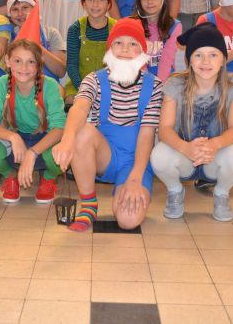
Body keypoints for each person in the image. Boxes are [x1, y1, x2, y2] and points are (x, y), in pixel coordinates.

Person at [52, 19, 163, 232]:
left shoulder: (154, 86)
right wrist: (67, 140)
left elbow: (147, 135)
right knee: (81, 132)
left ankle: (125, 187)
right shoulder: (94, 80)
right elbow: (79, 108)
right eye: (118, 43)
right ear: (109, 48)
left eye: (133, 44)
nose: (125, 49)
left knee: (128, 220)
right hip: (104, 156)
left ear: (142, 51)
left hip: (136, 161)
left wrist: (135, 178)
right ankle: (88, 203)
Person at [150, 23, 233, 222]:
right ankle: (175, 191)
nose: (206, 62)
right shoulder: (175, 84)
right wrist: (185, 148)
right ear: (189, 60)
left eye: (213, 55)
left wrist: (213, 145)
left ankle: (221, 193)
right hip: (183, 156)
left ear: (223, 59)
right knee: (159, 154)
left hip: (215, 157)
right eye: (198, 55)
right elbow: (165, 129)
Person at [0, 36, 66, 204]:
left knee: (60, 154)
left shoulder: (49, 86)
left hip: (45, 139)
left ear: (39, 64)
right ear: (8, 61)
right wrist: (13, 137)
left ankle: (49, 178)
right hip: (17, 141)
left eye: (31, 62)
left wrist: (32, 153)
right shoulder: (3, 83)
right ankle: (10, 177)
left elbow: (59, 129)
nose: (24, 68)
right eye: (17, 61)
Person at [65, 0, 116, 101]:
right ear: (84, 3)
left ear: (108, 4)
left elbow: (120, 63)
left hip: (110, 85)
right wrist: (84, 88)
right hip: (79, 84)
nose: (95, 4)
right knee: (72, 103)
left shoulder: (116, 29)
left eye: (101, 0)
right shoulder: (75, 29)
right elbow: (71, 65)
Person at [129, 0, 182, 81]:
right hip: (139, 78)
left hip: (166, 79)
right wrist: (148, 84)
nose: (150, 1)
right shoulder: (133, 25)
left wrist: (158, 86)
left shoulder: (174, 26)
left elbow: (167, 60)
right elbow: (138, 59)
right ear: (139, 1)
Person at [6, 0, 66, 80]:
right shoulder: (8, 36)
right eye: (15, 9)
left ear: (34, 9)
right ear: (10, 14)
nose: (20, 13)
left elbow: (61, 71)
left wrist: (39, 49)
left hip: (48, 84)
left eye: (25, 8)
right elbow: (7, 71)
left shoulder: (51, 33)